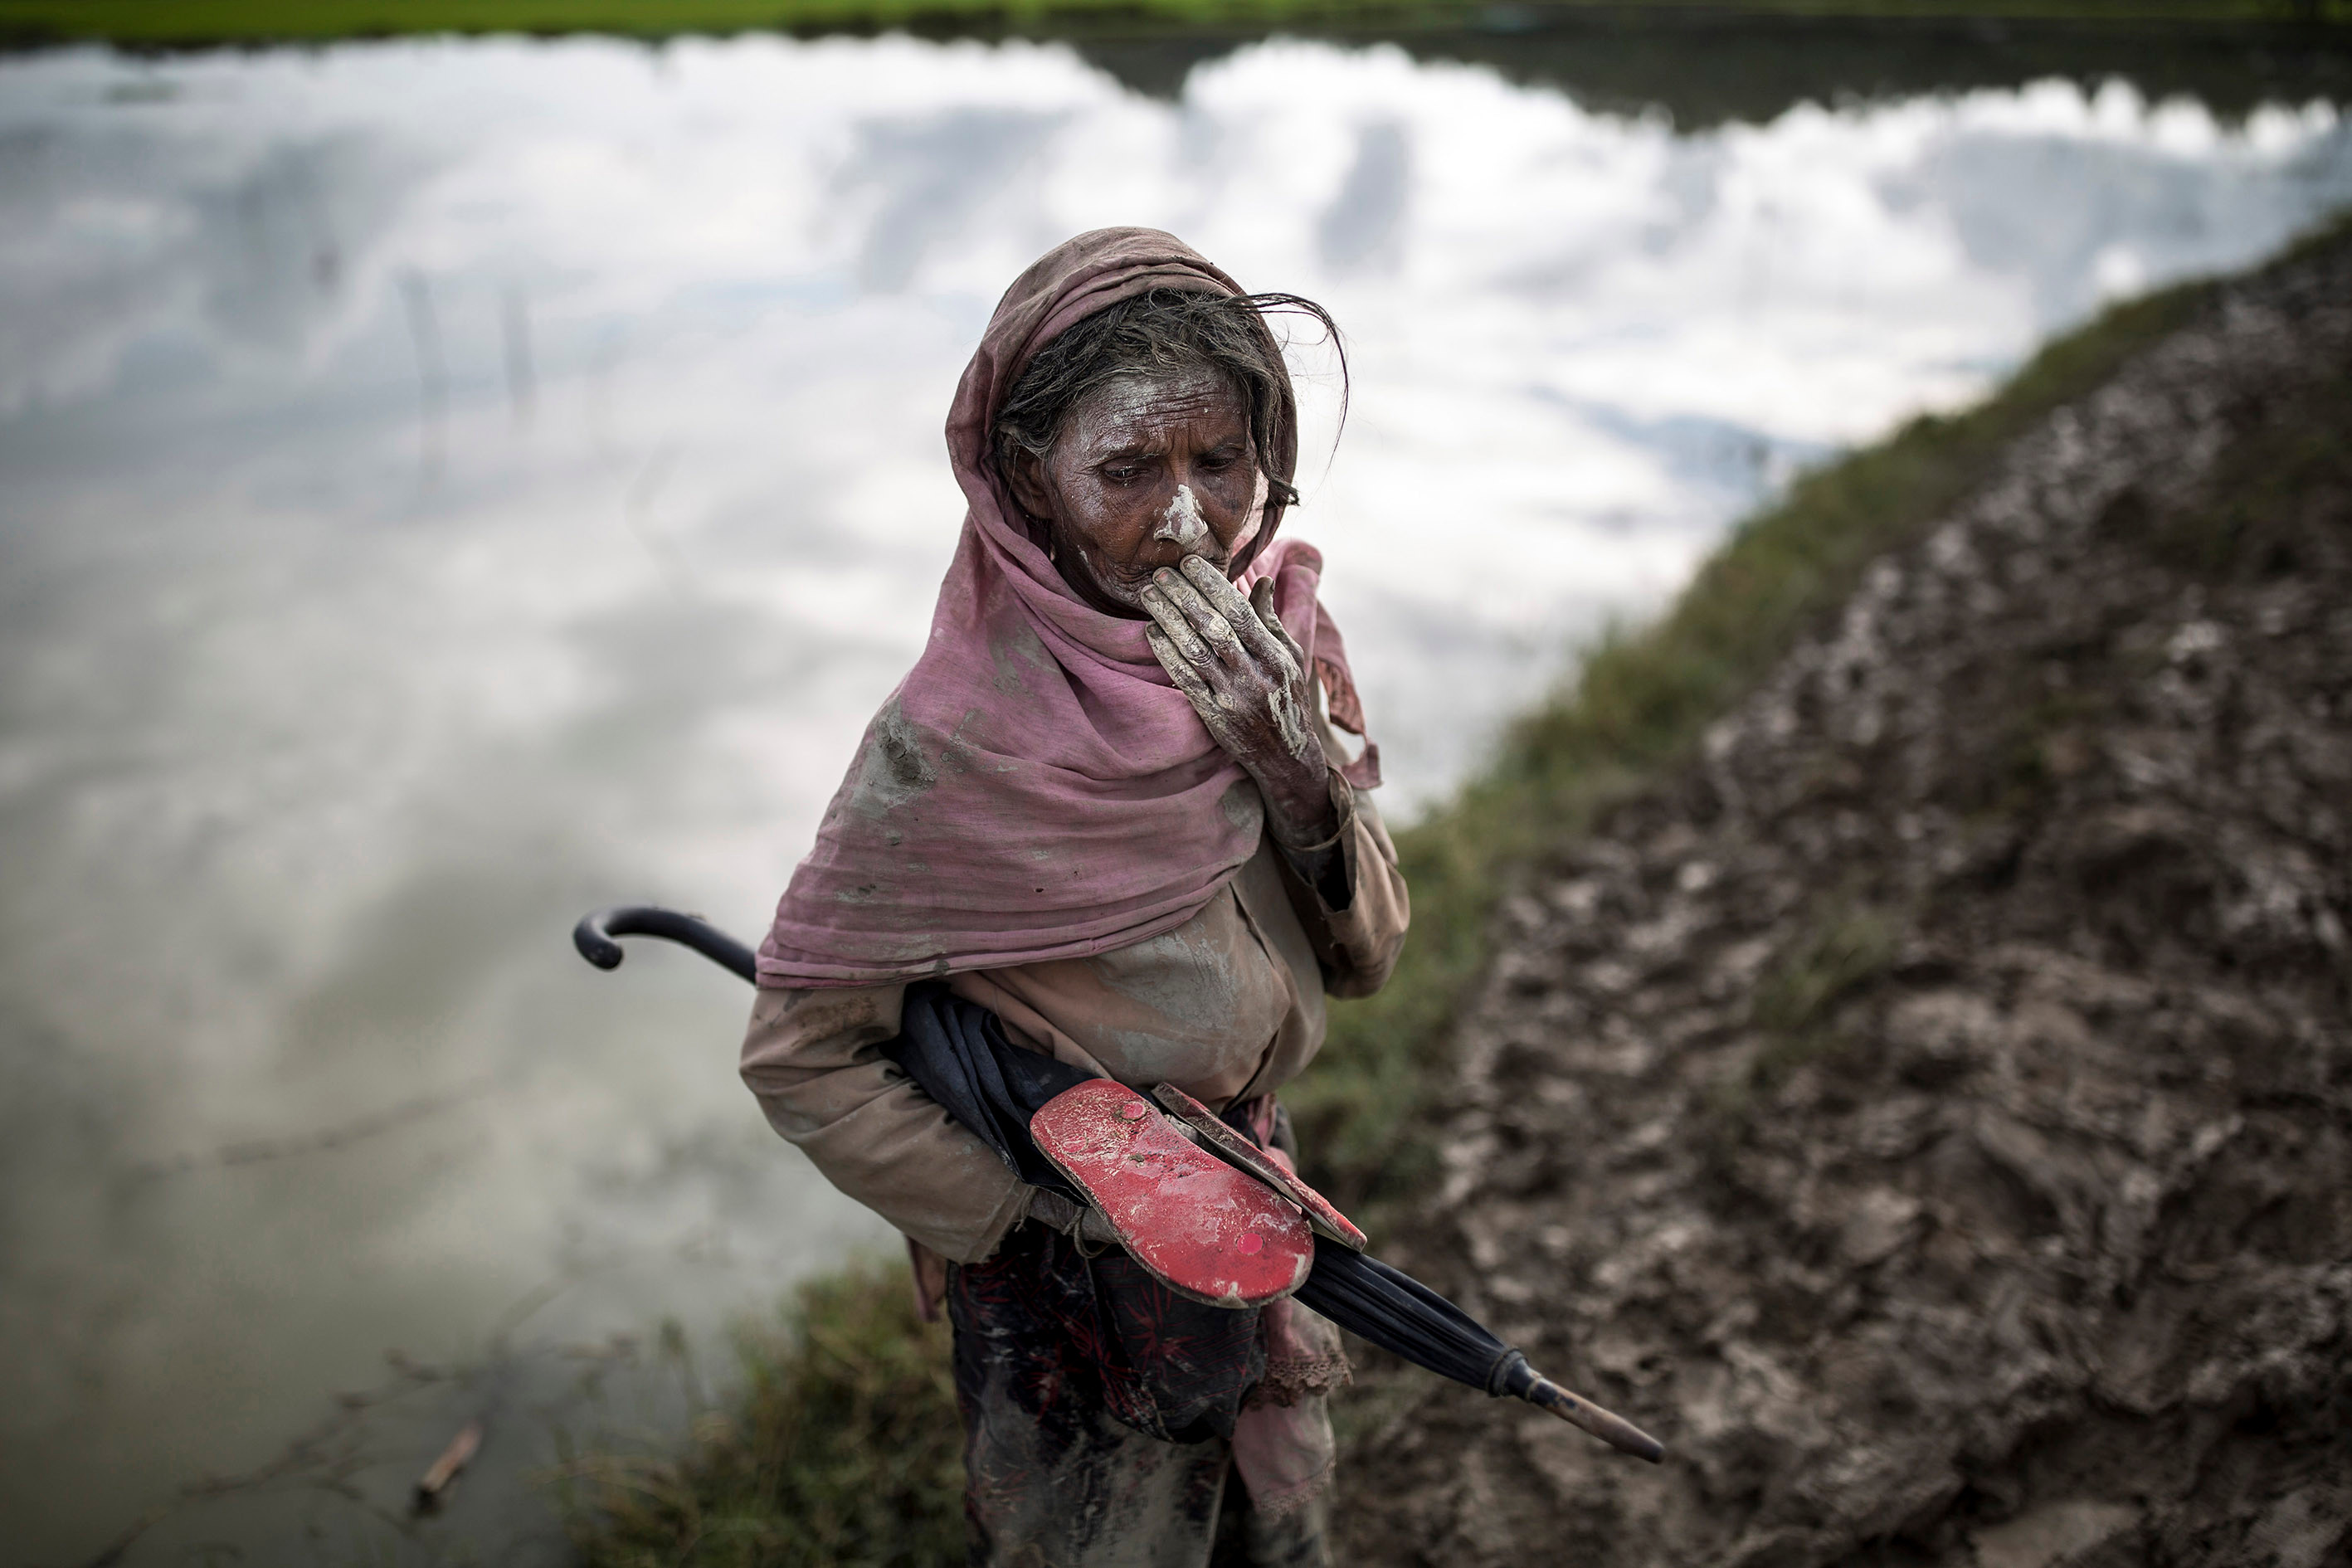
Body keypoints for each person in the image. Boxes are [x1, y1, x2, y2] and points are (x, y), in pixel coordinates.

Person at [739, 227, 1410, 1568]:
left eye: (1218, 461)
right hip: (1069, 1284)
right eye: (1124, 468)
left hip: (1254, 1202)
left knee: (1273, 1519)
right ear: (1029, 486)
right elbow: (803, 1055)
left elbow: (1369, 956)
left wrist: (1297, 778)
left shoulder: (1271, 650)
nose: (1183, 521)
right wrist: (1027, 1216)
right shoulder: (946, 749)